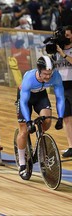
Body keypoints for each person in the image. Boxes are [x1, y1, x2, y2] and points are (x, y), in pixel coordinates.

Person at [16, 55, 65, 180]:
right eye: (45, 74)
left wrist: (60, 117)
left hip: (41, 96)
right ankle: (22, 162)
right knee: (24, 131)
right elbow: (23, 102)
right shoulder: (29, 78)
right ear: (39, 71)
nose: (48, 77)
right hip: (25, 99)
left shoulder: (56, 76)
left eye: (50, 73)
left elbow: (60, 98)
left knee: (46, 120)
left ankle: (40, 144)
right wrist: (28, 121)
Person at [55, 25, 72, 157]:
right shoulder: (57, 50)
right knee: (66, 118)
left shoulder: (64, 51)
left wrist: (63, 54)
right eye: (64, 35)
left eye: (67, 35)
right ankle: (71, 146)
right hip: (62, 86)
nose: (65, 38)